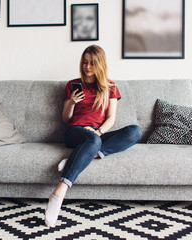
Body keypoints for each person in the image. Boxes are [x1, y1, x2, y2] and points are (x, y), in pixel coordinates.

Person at [44, 45, 142, 227]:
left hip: (97, 133)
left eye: (92, 63)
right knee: (92, 140)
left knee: (135, 131)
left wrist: (99, 132)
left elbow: (111, 119)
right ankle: (59, 193)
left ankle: (80, 157)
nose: (87, 67)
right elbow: (66, 119)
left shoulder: (110, 87)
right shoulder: (72, 85)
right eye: (84, 62)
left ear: (100, 64)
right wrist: (71, 102)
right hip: (75, 132)